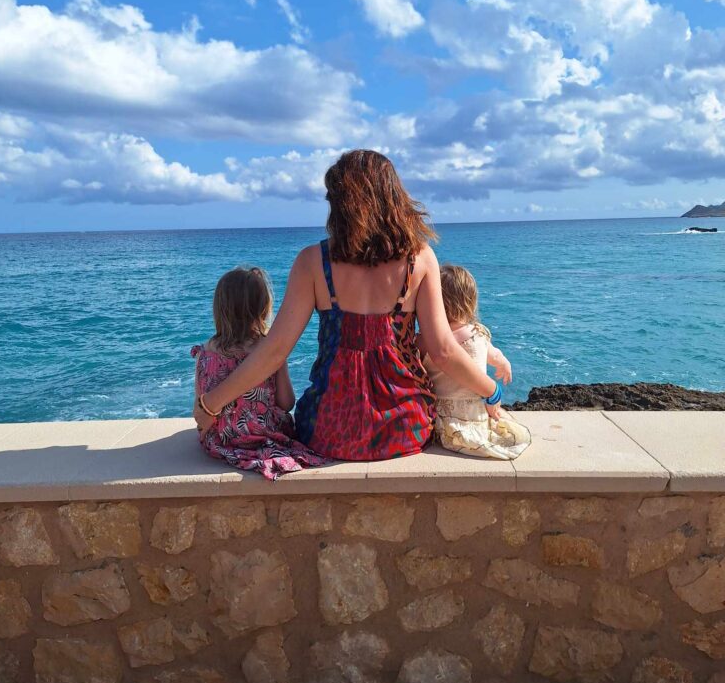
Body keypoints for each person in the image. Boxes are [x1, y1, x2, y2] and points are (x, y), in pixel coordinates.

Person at [194, 149, 506, 462]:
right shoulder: (420, 258)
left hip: (327, 430)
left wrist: (211, 404)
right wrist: (491, 391)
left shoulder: (312, 262)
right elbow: (443, 351)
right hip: (405, 427)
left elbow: (275, 351)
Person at [192, 267, 329, 480]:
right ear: (263, 308)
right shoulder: (268, 351)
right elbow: (286, 402)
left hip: (223, 440)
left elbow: (202, 407)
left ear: (219, 309)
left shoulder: (205, 352)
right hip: (266, 436)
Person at [421, 264, 530, 459]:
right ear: (470, 301)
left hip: (440, 425)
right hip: (474, 420)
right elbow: (496, 357)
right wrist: (504, 365)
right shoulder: (477, 333)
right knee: (514, 430)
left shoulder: (426, 340)